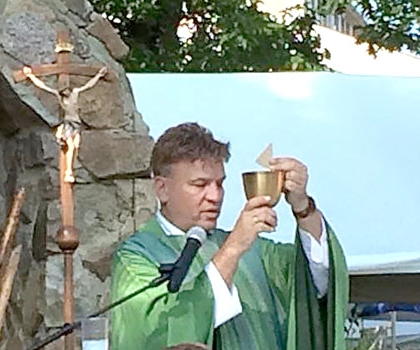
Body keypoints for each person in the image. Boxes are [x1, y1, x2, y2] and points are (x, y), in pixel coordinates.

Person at [111, 123, 348, 349]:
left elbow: (315, 278)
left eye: (219, 184)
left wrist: (302, 206)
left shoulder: (255, 251)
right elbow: (161, 330)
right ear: (162, 188)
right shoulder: (137, 258)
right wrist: (234, 247)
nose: (215, 196)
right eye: (200, 184)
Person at [22, 65, 108, 183]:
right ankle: (69, 171)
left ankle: (70, 169)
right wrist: (31, 76)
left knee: (76, 146)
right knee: (71, 146)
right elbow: (43, 86)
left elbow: (88, 85)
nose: (65, 88)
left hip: (76, 123)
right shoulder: (59, 97)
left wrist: (98, 75)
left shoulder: (75, 94)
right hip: (68, 123)